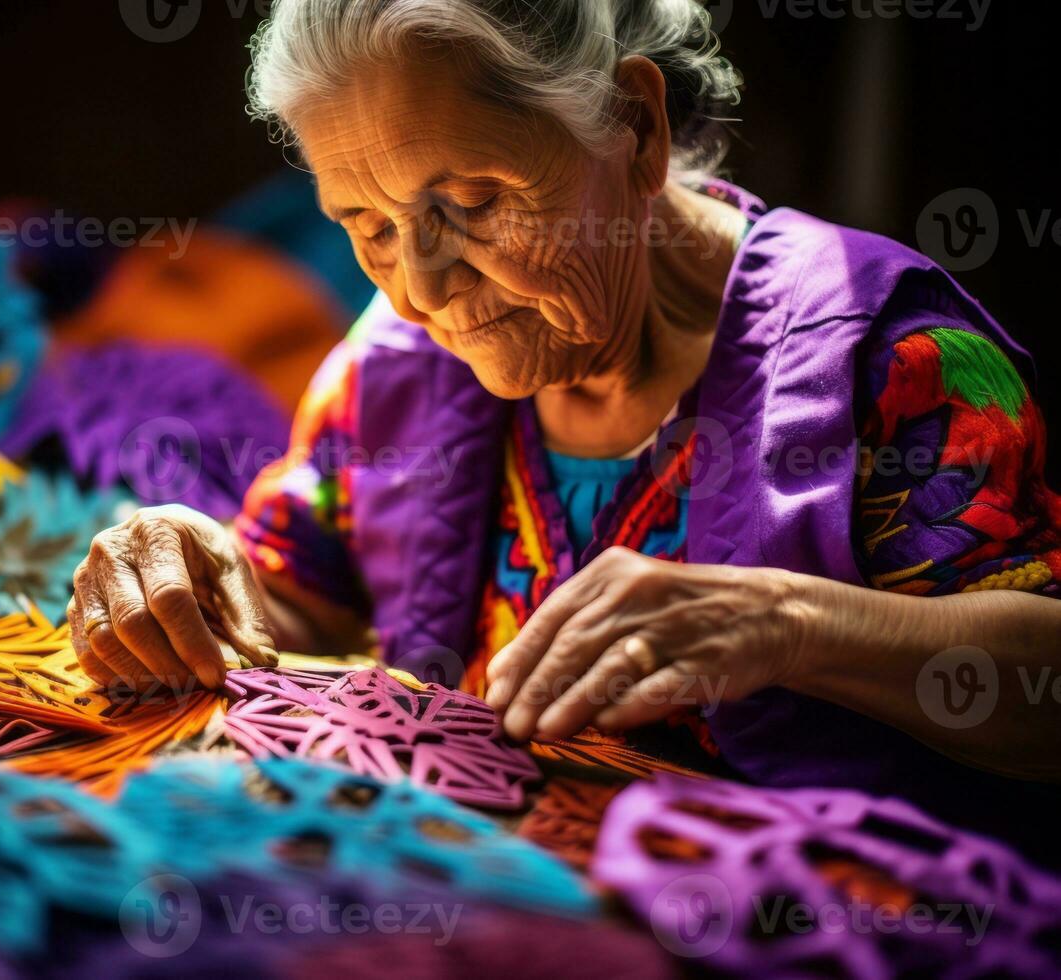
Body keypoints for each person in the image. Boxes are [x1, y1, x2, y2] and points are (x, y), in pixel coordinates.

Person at [68, 0, 1061, 859]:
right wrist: (188, 574)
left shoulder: (891, 358)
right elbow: (287, 606)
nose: (420, 288)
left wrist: (786, 622)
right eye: (365, 226)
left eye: (470, 203)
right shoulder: (392, 366)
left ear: (632, 127)